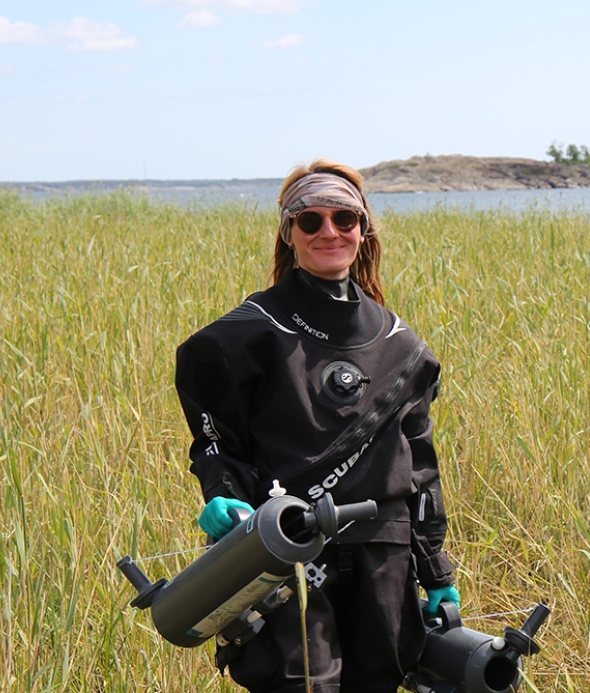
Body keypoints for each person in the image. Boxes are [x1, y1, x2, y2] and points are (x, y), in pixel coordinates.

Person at [174, 159, 460, 692]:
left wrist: (437, 571)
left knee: (380, 679)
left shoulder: (405, 348)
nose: (329, 231)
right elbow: (216, 442)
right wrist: (223, 494)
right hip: (286, 550)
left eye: (344, 219)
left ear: (363, 228)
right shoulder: (245, 336)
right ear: (289, 233)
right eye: (310, 220)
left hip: (384, 553)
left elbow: (420, 469)